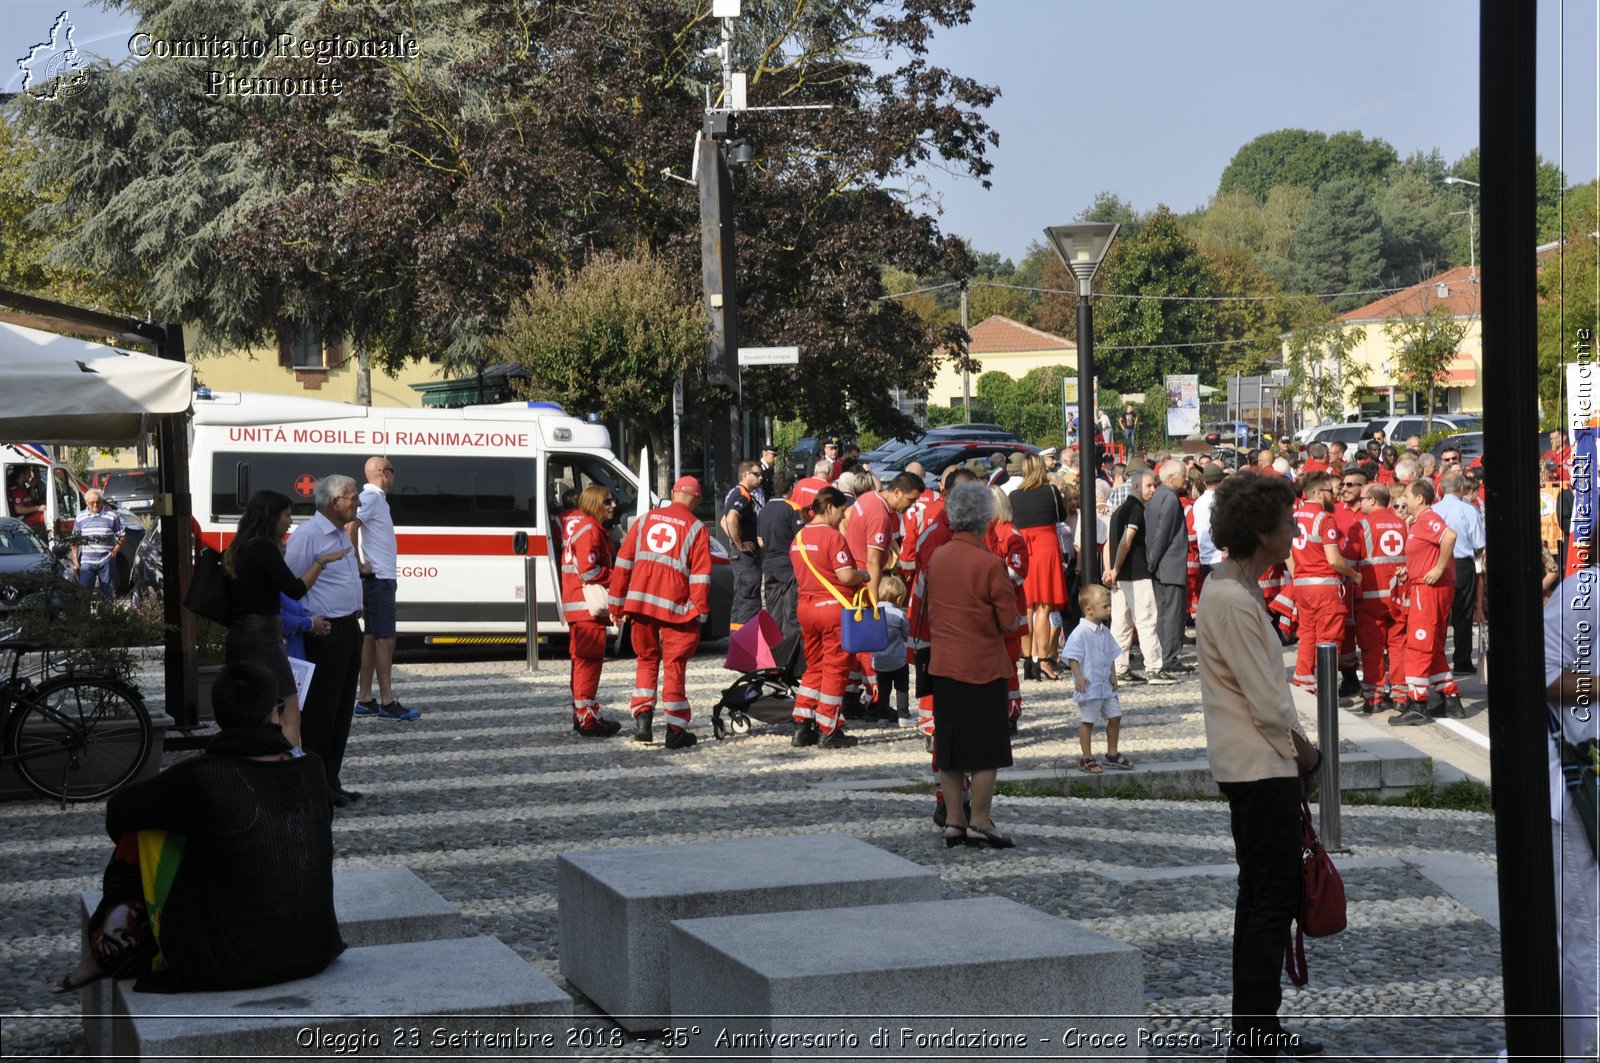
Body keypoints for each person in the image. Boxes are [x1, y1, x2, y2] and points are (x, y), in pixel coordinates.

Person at [55, 660, 344, 995]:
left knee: (147, 829)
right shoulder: (312, 767)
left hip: (232, 962)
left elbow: (118, 813)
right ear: (273, 713)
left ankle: (107, 951)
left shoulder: (202, 777)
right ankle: (106, 952)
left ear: (220, 717)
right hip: (315, 946)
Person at [1196, 471, 1325, 1062]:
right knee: (1272, 896)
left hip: (1254, 762)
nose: (1294, 529)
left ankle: (1255, 1023)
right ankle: (1254, 1030)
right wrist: (1308, 753)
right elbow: (1267, 701)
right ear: (1260, 531)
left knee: (1262, 894)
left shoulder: (1233, 590)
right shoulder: (1231, 597)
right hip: (1259, 764)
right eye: (1285, 521)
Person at [926, 481, 1022, 849]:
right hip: (983, 665)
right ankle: (980, 821)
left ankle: (953, 821)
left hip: (945, 664)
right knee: (986, 748)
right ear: (986, 519)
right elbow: (1009, 621)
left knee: (949, 747)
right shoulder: (990, 564)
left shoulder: (938, 558)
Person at [223, 489, 344, 751]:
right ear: (272, 516)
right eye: (287, 515)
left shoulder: (241, 546)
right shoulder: (263, 547)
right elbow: (296, 589)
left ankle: (258, 761)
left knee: (258, 707)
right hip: (264, 635)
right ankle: (289, 771)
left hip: (240, 634)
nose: (290, 521)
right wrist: (321, 561)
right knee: (290, 707)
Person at [1542, 531, 1600, 1063]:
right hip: (1582, 788)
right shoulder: (1585, 592)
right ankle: (1579, 1050)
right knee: (1584, 929)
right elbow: (1539, 676)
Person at [608, 475, 711, 749]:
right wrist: (699, 613)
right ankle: (675, 730)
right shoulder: (697, 528)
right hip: (675, 608)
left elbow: (623, 563)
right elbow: (700, 577)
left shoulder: (644, 520)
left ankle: (643, 721)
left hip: (640, 604)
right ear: (697, 500)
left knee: (646, 659)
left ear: (674, 493)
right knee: (675, 665)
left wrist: (616, 604)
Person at [283, 474, 366, 806]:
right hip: (324, 631)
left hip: (348, 628)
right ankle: (317, 785)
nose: (357, 502)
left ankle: (332, 779)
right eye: (353, 497)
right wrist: (307, 622)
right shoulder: (309, 536)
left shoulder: (340, 534)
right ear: (335, 502)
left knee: (342, 709)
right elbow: (290, 587)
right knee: (321, 712)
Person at [843, 472, 924, 723]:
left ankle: (851, 695)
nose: (910, 506)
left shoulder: (868, 498)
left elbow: (845, 518)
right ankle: (875, 701)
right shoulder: (880, 514)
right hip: (863, 583)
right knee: (870, 647)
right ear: (897, 492)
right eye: (909, 500)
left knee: (855, 649)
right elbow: (873, 560)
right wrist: (875, 599)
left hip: (854, 579)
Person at [790, 486, 867, 749]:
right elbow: (845, 576)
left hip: (806, 608)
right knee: (835, 668)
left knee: (814, 666)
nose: (843, 517)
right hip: (832, 610)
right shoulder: (833, 538)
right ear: (831, 507)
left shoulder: (799, 537)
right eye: (842, 511)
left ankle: (803, 723)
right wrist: (864, 575)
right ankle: (829, 727)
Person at [1389, 479, 1464, 725]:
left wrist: (1439, 568)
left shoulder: (1428, 518)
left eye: (1407, 497)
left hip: (1428, 590)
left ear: (1420, 499)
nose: (1403, 501)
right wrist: (1408, 571)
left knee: (1418, 646)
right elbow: (1426, 552)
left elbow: (1449, 536)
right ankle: (1450, 698)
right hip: (1424, 585)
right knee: (1432, 646)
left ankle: (1417, 703)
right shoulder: (1419, 522)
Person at [349, 457, 415, 721]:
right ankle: (388, 702)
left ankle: (365, 698)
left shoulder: (376, 500)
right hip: (379, 578)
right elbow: (351, 525)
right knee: (385, 640)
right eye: (392, 471)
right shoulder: (372, 497)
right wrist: (358, 562)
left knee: (371, 638)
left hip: (379, 578)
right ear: (381, 473)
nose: (395, 477)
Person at [560, 484, 625, 738]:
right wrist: (616, 577)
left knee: (581, 662)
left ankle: (582, 714)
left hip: (578, 606)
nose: (613, 505)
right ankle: (588, 719)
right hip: (585, 607)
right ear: (595, 504)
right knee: (589, 663)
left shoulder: (587, 528)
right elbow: (589, 571)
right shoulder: (590, 530)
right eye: (607, 501)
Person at [1287, 471, 1358, 691]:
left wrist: (1298, 574)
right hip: (1325, 587)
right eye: (1330, 491)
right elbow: (1334, 559)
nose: (1334, 495)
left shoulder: (1295, 517)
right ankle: (1326, 690)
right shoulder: (1324, 519)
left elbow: (1287, 553)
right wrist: (1354, 575)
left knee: (1307, 634)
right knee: (1329, 638)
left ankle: (1304, 680)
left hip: (1302, 585)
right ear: (1318, 494)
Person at [1104, 469, 1175, 684]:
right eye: (1149, 486)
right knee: (1146, 620)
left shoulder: (1118, 511)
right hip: (1135, 573)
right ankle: (1154, 668)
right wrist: (1115, 569)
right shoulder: (1135, 509)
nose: (1153, 489)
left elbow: (1110, 543)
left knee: (1121, 624)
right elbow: (1126, 541)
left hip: (1121, 576)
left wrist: (1110, 570)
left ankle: (1120, 668)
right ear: (1136, 487)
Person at [1349, 482, 1407, 714]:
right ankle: (1401, 696)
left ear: (1372, 500)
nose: (1359, 502)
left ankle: (1374, 698)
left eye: (1362, 498)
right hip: (1399, 597)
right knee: (1399, 646)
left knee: (1372, 649)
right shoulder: (1402, 524)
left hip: (1371, 599)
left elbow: (1350, 562)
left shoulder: (1361, 525)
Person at [1064, 584, 1133, 774]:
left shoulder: (1104, 631)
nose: (1109, 609)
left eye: (1109, 605)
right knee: (1088, 720)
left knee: (1115, 716)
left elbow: (1111, 654)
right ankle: (1086, 757)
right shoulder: (1080, 632)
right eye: (1105, 606)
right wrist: (1078, 677)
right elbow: (1073, 657)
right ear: (1089, 610)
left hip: (1105, 685)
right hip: (1090, 686)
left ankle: (1112, 753)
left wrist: (1113, 674)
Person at [1009, 454, 1065, 681]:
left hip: (1024, 547)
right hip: (1046, 547)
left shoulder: (1013, 495)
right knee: (1044, 607)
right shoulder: (1050, 491)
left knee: (1027, 607)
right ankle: (1043, 660)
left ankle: (1027, 659)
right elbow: (1062, 515)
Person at [1432, 471, 1485, 677]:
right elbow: (1479, 543)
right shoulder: (1468, 510)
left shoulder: (1433, 510)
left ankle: (1438, 658)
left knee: (1440, 614)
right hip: (1462, 564)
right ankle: (1462, 660)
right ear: (1461, 489)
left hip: (1439, 563)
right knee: (1462, 614)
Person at [986, 485, 1028, 732]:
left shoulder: (1011, 533)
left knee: (1009, 664)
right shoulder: (992, 530)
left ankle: (1011, 713)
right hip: (994, 608)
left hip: (1009, 609)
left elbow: (1018, 573)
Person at [1145, 459, 1191, 673]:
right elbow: (1162, 534)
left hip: (1160, 565)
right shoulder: (1170, 499)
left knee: (1163, 612)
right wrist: (1153, 562)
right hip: (1169, 564)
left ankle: (1164, 654)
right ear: (1171, 477)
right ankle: (1170, 657)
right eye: (1183, 474)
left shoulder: (1157, 497)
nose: (1187, 478)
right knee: (1173, 612)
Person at [756, 469, 803, 643]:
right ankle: (792, 654)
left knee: (774, 612)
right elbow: (801, 539)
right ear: (790, 488)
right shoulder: (793, 508)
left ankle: (775, 651)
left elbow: (760, 542)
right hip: (789, 567)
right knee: (791, 613)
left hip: (769, 567)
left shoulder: (764, 510)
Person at [721, 460, 766, 632]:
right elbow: (731, 519)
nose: (760, 477)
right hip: (746, 559)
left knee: (740, 602)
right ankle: (749, 643)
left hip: (742, 558)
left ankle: (737, 642)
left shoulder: (735, 493)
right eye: (756, 474)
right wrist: (740, 544)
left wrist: (734, 540)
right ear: (745, 474)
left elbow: (723, 521)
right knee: (749, 601)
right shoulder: (742, 495)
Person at [71, 488, 126, 597]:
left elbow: (122, 536)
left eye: (98, 502)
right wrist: (76, 562)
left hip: (106, 560)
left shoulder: (111, 516)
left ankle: (107, 614)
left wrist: (114, 552)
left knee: (108, 594)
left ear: (102, 502)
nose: (96, 505)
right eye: (92, 502)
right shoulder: (80, 517)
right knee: (84, 594)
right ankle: (85, 614)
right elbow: (74, 541)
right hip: (87, 561)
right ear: (86, 503)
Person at [871, 575, 911, 723]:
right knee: (901, 687)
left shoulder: (875, 612)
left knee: (883, 689)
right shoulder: (900, 614)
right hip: (898, 660)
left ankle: (882, 717)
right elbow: (907, 634)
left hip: (880, 660)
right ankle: (903, 715)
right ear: (899, 599)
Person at [1194, 463, 1226, 581]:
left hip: (1204, 557)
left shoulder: (1198, 502)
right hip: (1219, 557)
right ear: (1221, 481)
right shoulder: (1220, 501)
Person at [8, 466, 45, 533]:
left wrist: (32, 487)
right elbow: (18, 510)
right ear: (22, 474)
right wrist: (38, 508)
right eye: (28, 472)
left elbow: (33, 499)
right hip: (23, 520)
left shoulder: (23, 487)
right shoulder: (16, 490)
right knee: (47, 516)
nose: (30, 475)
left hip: (30, 516)